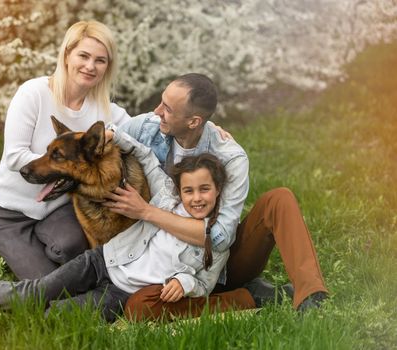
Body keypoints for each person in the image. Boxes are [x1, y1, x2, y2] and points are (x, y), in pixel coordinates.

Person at [0, 134, 232, 323]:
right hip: (102, 261)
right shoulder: (168, 201)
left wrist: (184, 282)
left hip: (122, 293)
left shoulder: (218, 239)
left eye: (205, 189)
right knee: (34, 292)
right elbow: (144, 154)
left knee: (53, 316)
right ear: (179, 190)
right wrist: (116, 136)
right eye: (189, 190)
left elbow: (204, 284)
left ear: (218, 190)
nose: (196, 198)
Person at [103, 73, 328, 320]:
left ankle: (311, 296)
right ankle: (252, 297)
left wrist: (147, 212)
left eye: (167, 108)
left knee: (279, 199)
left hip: (217, 265)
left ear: (193, 122)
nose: (157, 111)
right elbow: (103, 142)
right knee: (140, 307)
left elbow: (220, 239)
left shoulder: (230, 157)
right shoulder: (147, 128)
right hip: (161, 265)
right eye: (161, 102)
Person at [0, 20, 131, 280]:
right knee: (49, 288)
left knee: (72, 250)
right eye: (83, 56)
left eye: (100, 60)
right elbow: (15, 156)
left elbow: (145, 131)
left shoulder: (105, 109)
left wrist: (208, 128)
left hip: (57, 209)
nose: (90, 66)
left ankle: (44, 247)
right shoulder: (33, 93)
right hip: (8, 212)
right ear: (66, 55)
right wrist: (72, 171)